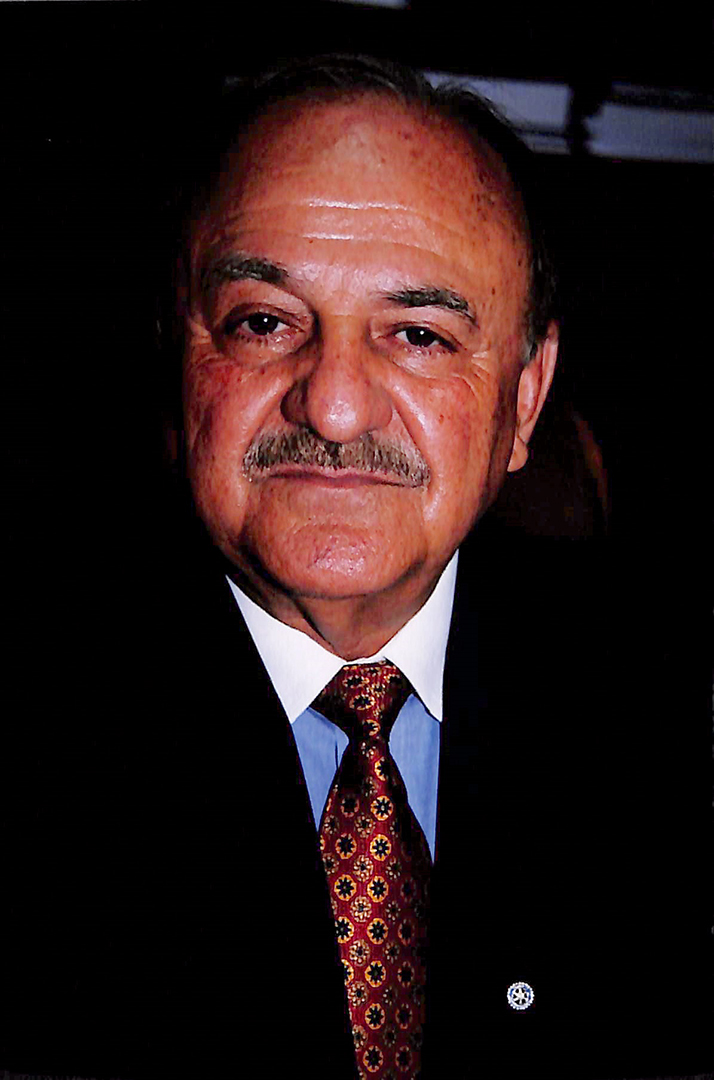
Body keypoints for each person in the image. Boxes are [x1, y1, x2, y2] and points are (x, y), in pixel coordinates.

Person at [2, 56, 710, 1080]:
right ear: (176, 361)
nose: (334, 408)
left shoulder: (670, 712)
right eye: (263, 322)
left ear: (525, 398)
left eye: (418, 335)